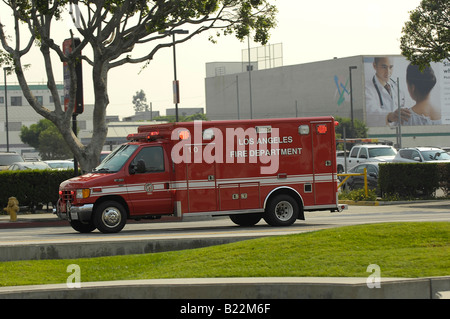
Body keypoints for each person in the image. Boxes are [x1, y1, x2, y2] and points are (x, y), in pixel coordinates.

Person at [365, 57, 410, 126]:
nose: (388, 72)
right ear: (374, 66)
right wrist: (389, 116)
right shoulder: (367, 89)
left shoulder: (397, 87)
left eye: (391, 67)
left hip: (398, 132)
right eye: (384, 67)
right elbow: (370, 113)